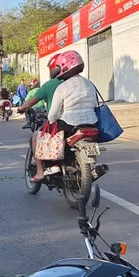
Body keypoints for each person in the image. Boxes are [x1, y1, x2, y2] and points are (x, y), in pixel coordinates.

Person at [30, 51, 97, 182]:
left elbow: (53, 114)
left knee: (36, 136)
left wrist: (50, 122)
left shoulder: (63, 87)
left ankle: (41, 172)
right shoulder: (89, 84)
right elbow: (94, 103)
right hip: (92, 122)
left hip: (70, 123)